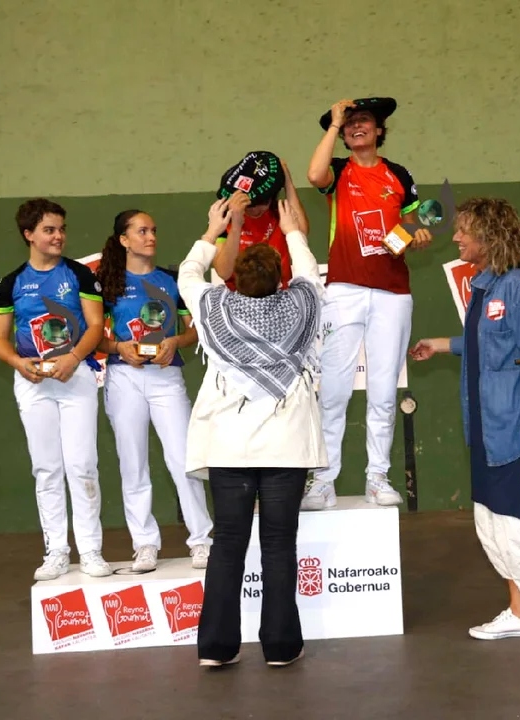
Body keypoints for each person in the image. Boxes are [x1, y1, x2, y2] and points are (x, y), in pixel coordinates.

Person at [409, 197, 520, 647]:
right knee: (501, 523)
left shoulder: (519, 287)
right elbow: (490, 344)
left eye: (464, 231)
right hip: (489, 430)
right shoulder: (485, 287)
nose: (456, 238)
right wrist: (442, 344)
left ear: (489, 236)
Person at [178, 195, 325, 668]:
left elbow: (188, 273)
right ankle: (281, 647)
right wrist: (293, 230)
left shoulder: (213, 306)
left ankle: (216, 648)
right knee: (279, 545)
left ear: (236, 279)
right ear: (280, 280)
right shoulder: (302, 304)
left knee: (228, 544)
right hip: (286, 448)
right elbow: (309, 272)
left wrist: (213, 230)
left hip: (229, 447)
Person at [303, 97, 432, 510]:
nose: (357, 127)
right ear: (343, 134)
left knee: (383, 391)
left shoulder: (399, 174)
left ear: (379, 130)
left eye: (364, 122)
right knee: (334, 390)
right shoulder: (339, 170)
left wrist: (415, 234)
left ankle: (378, 477)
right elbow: (313, 174)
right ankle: (323, 481)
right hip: (344, 290)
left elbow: (409, 223)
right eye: (350, 124)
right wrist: (333, 122)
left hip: (393, 293)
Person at [0, 198, 112, 581]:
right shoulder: (10, 284)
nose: (58, 236)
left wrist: (73, 358)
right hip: (33, 383)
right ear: (29, 234)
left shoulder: (79, 275)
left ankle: (90, 551)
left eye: (61, 229)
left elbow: (95, 326)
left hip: (76, 377)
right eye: (49, 230)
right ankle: (56, 551)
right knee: (46, 468)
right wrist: (18, 362)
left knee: (82, 465)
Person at [94, 209, 215, 572]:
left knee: (183, 460)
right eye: (142, 231)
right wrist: (119, 347)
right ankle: (144, 543)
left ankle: (201, 540)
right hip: (124, 377)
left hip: (166, 378)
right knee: (133, 463)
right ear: (124, 240)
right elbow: (93, 336)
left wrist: (176, 341)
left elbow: (196, 329)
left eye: (153, 231)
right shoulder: (106, 284)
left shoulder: (172, 281)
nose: (151, 237)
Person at [211, 151, 310, 292]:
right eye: (249, 205)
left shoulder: (279, 212)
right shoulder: (224, 219)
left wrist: (286, 179)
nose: (256, 210)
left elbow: (301, 234)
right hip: (240, 299)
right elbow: (223, 272)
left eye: (263, 202)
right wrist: (236, 224)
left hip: (281, 296)